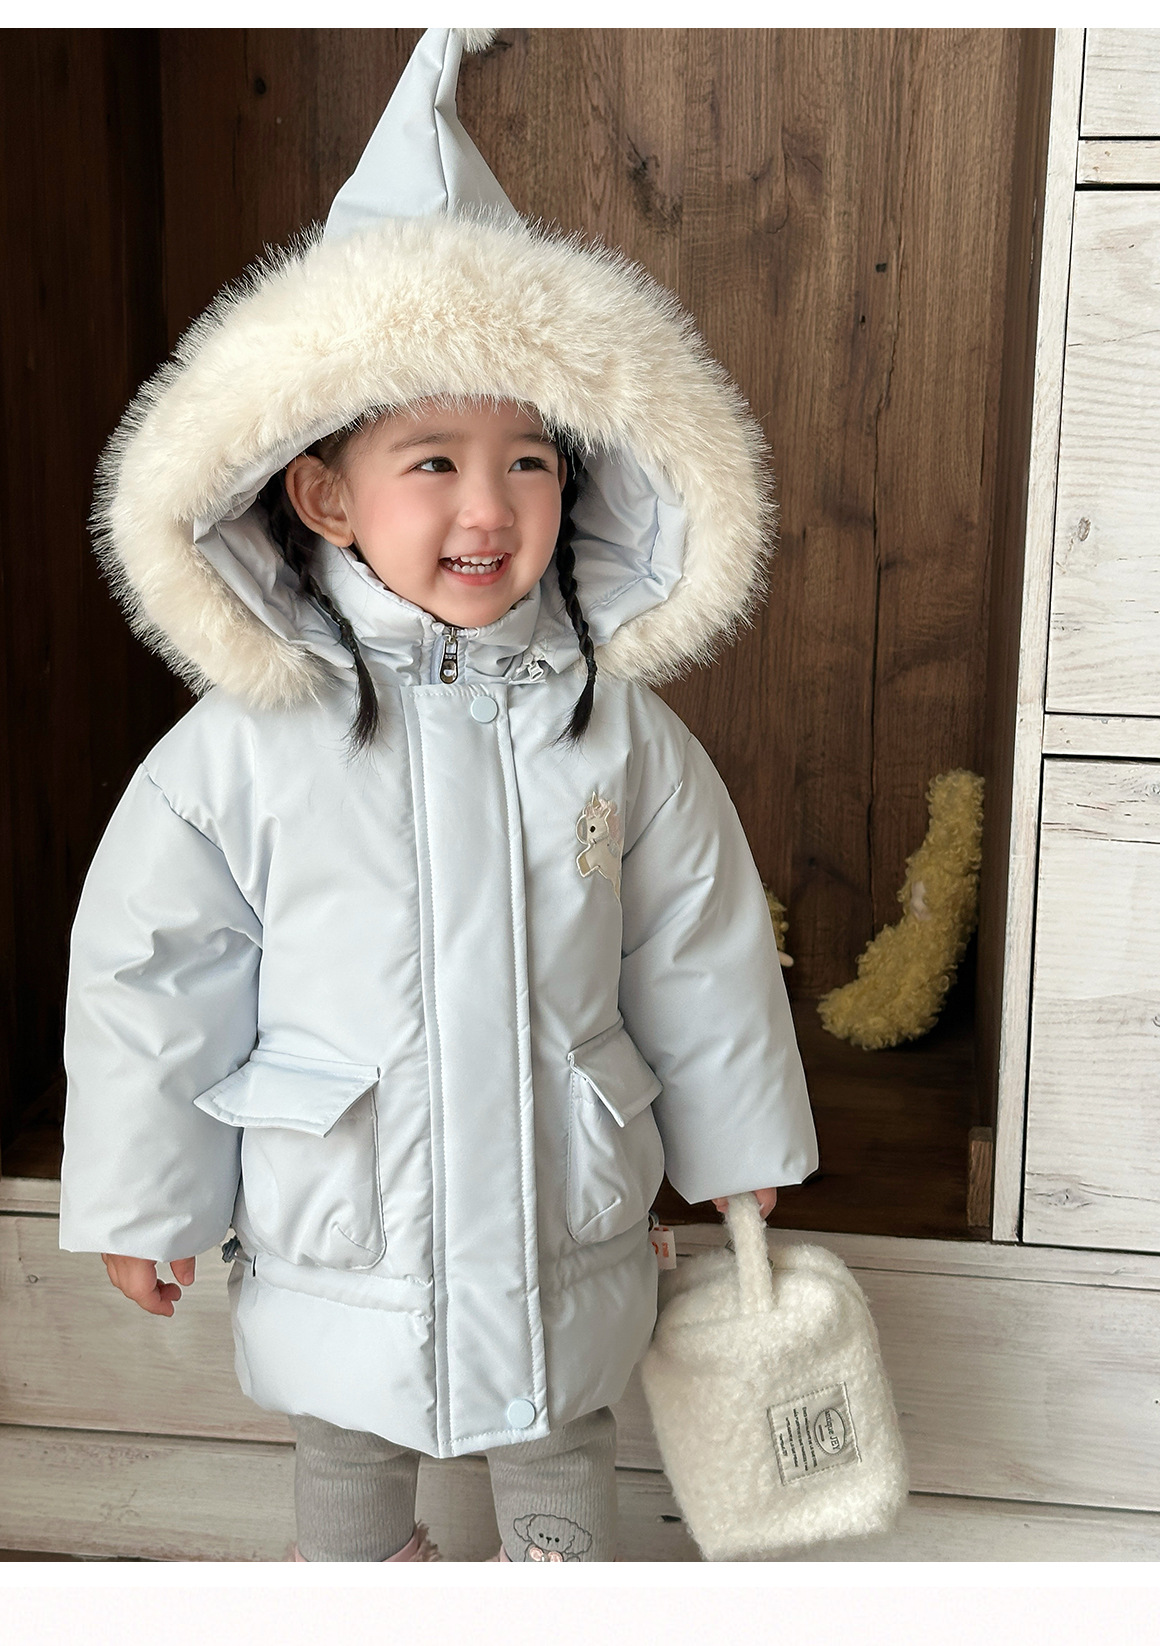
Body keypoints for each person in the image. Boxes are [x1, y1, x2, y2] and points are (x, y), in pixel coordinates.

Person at [57, 29, 818, 1563]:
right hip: (347, 1205)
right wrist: (146, 1196)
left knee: (563, 1426)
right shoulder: (246, 742)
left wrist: (738, 1140)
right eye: (432, 461)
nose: (489, 505)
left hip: (563, 1206)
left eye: (529, 458)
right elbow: (159, 970)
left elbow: (697, 943)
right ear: (324, 493)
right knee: (345, 1440)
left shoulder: (618, 731)